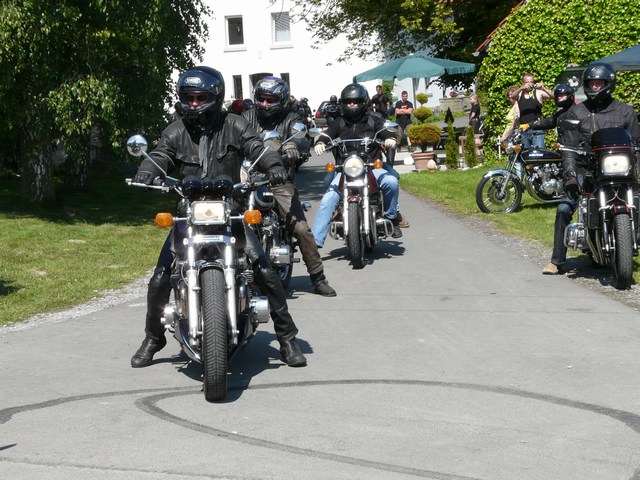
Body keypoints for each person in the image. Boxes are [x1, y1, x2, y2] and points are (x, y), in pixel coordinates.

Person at [130, 66, 307, 368]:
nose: (194, 103)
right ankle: (154, 337)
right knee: (160, 276)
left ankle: (287, 339)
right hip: (189, 212)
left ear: (215, 96)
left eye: (200, 97)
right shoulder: (175, 130)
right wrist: (148, 170)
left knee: (264, 269)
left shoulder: (235, 124)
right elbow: (160, 154)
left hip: (230, 211)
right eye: (189, 97)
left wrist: (274, 165)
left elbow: (256, 147)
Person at [541, 63, 640, 275]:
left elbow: (637, 146)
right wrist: (570, 176)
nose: (595, 87)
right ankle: (557, 260)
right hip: (584, 168)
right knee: (564, 208)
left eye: (599, 83)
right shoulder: (576, 112)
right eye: (591, 83)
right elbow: (568, 148)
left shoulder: (625, 112)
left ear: (609, 84)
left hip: (617, 170)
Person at [243, 76, 336, 297]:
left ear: (282, 100)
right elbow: (232, 135)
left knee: (301, 228)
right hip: (247, 179)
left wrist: (294, 145)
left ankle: (318, 277)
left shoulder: (290, 118)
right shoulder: (246, 117)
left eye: (270, 100)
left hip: (279, 180)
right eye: (261, 99)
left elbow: (300, 136)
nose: (265, 104)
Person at [312, 83, 402, 246]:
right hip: (345, 169)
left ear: (363, 102)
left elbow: (385, 130)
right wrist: (320, 142)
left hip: (372, 166)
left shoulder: (374, 119)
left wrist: (389, 138)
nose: (352, 104)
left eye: (355, 101)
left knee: (391, 182)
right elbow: (328, 134)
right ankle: (315, 243)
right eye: (348, 102)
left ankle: (392, 218)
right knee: (328, 198)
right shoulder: (339, 122)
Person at [510, 73, 553, 149]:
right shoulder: (520, 94)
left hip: (537, 130)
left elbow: (553, 96)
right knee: (525, 153)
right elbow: (513, 96)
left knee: (539, 152)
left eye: (531, 82)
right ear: (523, 83)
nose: (529, 84)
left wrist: (543, 88)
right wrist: (521, 88)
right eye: (527, 82)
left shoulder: (538, 93)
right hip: (524, 130)